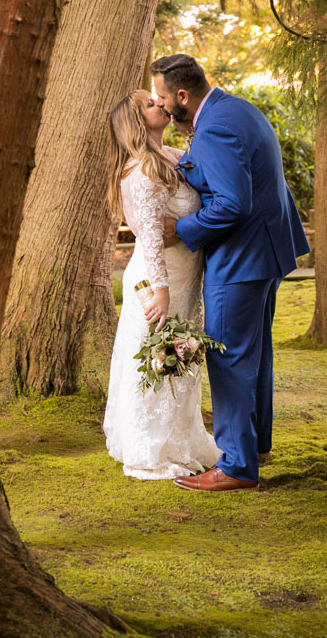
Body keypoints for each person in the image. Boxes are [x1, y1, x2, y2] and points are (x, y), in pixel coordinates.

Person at [151, 54, 311, 492]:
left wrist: (180, 229)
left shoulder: (217, 126)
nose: (162, 108)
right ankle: (254, 445)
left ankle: (238, 466)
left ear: (183, 96)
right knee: (253, 353)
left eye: (164, 99)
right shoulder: (234, 108)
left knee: (228, 355)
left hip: (242, 258)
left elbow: (232, 204)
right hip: (267, 250)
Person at [102, 89, 221, 481]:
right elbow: (150, 236)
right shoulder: (143, 169)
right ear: (138, 121)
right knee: (158, 357)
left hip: (186, 276)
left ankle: (182, 439)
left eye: (159, 99)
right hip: (159, 279)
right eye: (151, 105)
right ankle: (147, 448)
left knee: (180, 358)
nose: (161, 105)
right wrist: (161, 291)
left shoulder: (171, 158)